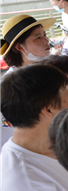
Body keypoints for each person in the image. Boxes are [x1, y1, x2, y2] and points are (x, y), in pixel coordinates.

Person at [0, 14, 56, 148]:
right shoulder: (8, 87)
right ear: (19, 47)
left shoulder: (54, 72)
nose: (46, 40)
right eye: (38, 37)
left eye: (44, 34)